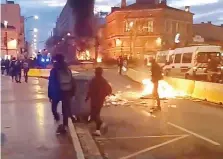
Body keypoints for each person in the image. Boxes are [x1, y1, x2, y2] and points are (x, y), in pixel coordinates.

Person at [48, 54, 76, 134]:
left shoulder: (54, 70)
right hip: (67, 91)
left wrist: (50, 94)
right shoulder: (67, 69)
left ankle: (57, 118)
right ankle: (65, 125)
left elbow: (51, 83)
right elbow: (72, 81)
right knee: (65, 110)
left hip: (57, 91)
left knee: (54, 108)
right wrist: (72, 92)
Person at [85, 67, 112, 136]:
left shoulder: (94, 80)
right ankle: (98, 129)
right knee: (95, 115)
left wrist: (87, 97)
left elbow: (90, 90)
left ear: (96, 72)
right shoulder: (103, 80)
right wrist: (104, 95)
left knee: (94, 115)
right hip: (99, 100)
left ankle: (100, 126)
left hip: (95, 100)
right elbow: (109, 90)